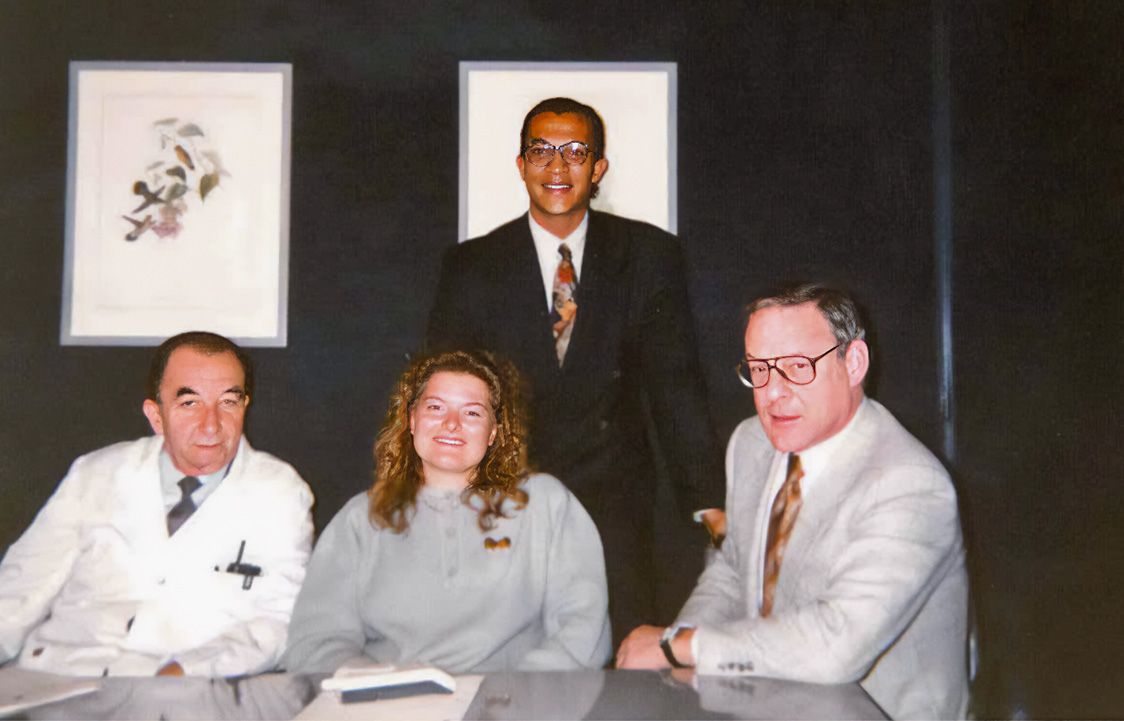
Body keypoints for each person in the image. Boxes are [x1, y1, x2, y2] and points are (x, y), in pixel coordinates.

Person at [426, 97, 724, 641]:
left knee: (614, 665)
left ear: (598, 168)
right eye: (541, 151)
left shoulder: (650, 255)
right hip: (503, 504)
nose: (557, 168)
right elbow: (441, 396)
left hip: (620, 512)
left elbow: (676, 383)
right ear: (520, 165)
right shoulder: (472, 267)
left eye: (575, 152)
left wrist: (708, 501)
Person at [616, 284, 969, 720]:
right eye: (758, 369)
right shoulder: (750, 444)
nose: (772, 393)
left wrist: (679, 646)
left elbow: (837, 647)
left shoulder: (910, 484)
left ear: (854, 362)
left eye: (798, 367)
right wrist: (683, 656)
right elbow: (731, 569)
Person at [0, 332, 314, 677]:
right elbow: (16, 596)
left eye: (228, 402)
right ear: (156, 416)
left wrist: (186, 670)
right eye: (190, 403)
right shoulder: (95, 473)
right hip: (60, 675)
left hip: (188, 688)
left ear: (245, 405)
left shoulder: (280, 491)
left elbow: (280, 620)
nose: (211, 424)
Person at [282, 350, 610, 673]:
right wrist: (387, 687)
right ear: (412, 419)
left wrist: (512, 694)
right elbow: (314, 642)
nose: (451, 424)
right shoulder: (362, 519)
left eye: (472, 413)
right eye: (436, 408)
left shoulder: (546, 504)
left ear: (494, 432)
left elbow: (583, 632)